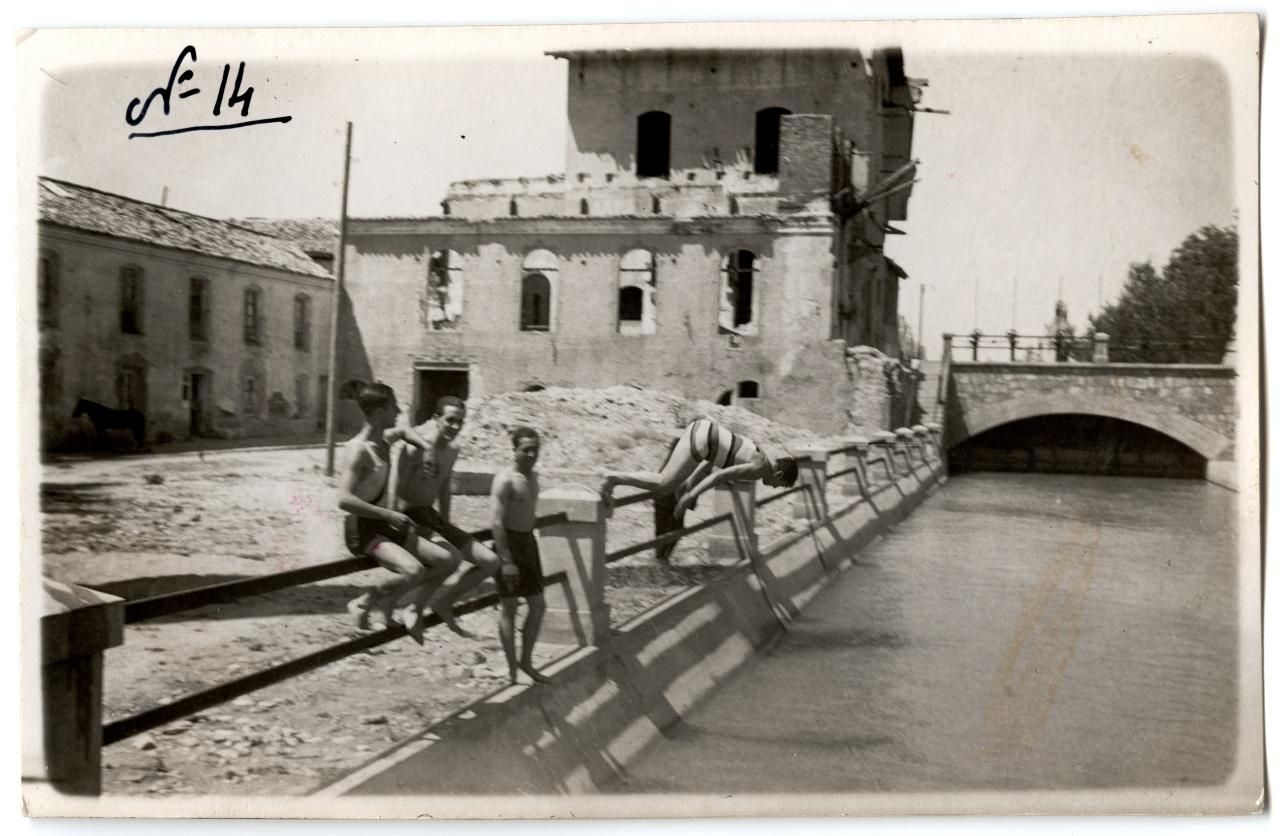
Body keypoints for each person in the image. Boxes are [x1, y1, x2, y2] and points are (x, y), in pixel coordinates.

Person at [337, 383, 460, 642]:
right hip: (363, 530)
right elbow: (344, 500)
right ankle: (363, 603)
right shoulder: (358, 449)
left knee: (448, 560)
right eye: (393, 406)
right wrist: (387, 515)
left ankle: (389, 603)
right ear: (380, 410)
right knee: (414, 571)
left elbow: (404, 430)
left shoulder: (383, 439)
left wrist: (427, 449)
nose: (398, 411)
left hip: (385, 526)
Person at [390, 395, 500, 639]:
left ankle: (444, 603)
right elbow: (395, 491)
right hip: (408, 516)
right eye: (450, 420)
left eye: (460, 422)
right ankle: (415, 606)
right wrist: (398, 528)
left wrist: (446, 525)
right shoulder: (412, 448)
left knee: (491, 561)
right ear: (435, 419)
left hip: (432, 516)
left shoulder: (453, 449)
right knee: (450, 559)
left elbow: (443, 486)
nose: (455, 427)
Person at [599, 417, 799, 524]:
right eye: (778, 486)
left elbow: (712, 463)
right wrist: (690, 495)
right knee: (664, 484)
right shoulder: (759, 469)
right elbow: (720, 475)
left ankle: (615, 479)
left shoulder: (760, 453)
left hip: (702, 428)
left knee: (667, 481)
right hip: (704, 441)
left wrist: (690, 483)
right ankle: (613, 478)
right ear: (779, 475)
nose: (773, 488)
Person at [491, 426, 552, 685]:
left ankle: (526, 662)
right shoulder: (505, 479)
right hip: (509, 545)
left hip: (528, 543)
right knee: (510, 608)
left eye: (535, 450)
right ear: (514, 450)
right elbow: (496, 522)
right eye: (526, 450)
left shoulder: (534, 478)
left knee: (538, 605)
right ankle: (511, 670)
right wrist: (506, 561)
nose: (531, 455)